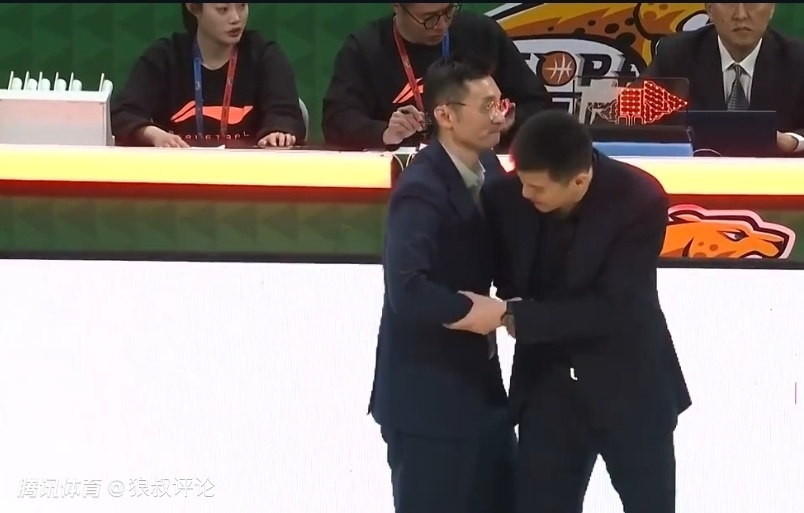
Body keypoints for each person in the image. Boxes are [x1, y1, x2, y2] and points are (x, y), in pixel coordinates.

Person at [480, 110, 692, 513]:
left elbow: (616, 308)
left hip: (631, 386)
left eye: (537, 188)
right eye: (522, 180)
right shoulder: (505, 196)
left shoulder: (639, 199)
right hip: (548, 387)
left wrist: (516, 316)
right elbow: (505, 276)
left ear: (578, 180)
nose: (525, 194)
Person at [369, 54, 516, 513]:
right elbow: (407, 289)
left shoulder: (489, 168)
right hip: (427, 400)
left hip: (480, 391)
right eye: (486, 106)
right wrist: (477, 313)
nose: (499, 116)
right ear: (446, 115)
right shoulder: (421, 189)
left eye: (500, 103)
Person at [322, 3, 552, 151]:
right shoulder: (367, 48)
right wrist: (385, 133)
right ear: (397, 6)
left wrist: (504, 123)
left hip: (481, 169)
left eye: (449, 11)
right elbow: (336, 120)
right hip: (403, 174)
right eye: (429, 17)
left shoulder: (482, 34)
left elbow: (539, 106)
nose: (441, 25)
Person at [111, 3, 306, 148]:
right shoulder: (165, 56)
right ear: (193, 7)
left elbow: (285, 113)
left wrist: (278, 131)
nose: (236, 18)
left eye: (242, 6)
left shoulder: (264, 55)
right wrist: (154, 135)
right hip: (178, 173)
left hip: (248, 174)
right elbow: (123, 113)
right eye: (223, 9)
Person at [642, 3, 804, 153]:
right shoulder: (676, 54)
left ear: (771, 8)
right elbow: (635, 116)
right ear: (709, 9)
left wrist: (793, 141)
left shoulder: (797, 59)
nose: (741, 15)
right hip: (697, 169)